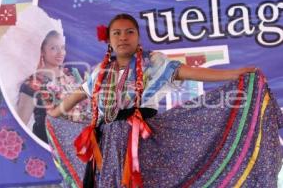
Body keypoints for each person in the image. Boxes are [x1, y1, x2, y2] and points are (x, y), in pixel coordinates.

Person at [46, 14, 283, 188]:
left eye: (129, 31)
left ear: (138, 36)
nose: (123, 37)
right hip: (107, 147)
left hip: (144, 144)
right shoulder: (100, 72)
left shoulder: (154, 62)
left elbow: (189, 72)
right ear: (108, 39)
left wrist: (233, 74)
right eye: (116, 33)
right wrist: (55, 114)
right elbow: (78, 94)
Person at [0, 5, 90, 144]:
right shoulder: (33, 83)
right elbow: (20, 126)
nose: (60, 53)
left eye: (62, 48)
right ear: (42, 51)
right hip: (48, 146)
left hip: (77, 147)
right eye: (53, 48)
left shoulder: (71, 76)